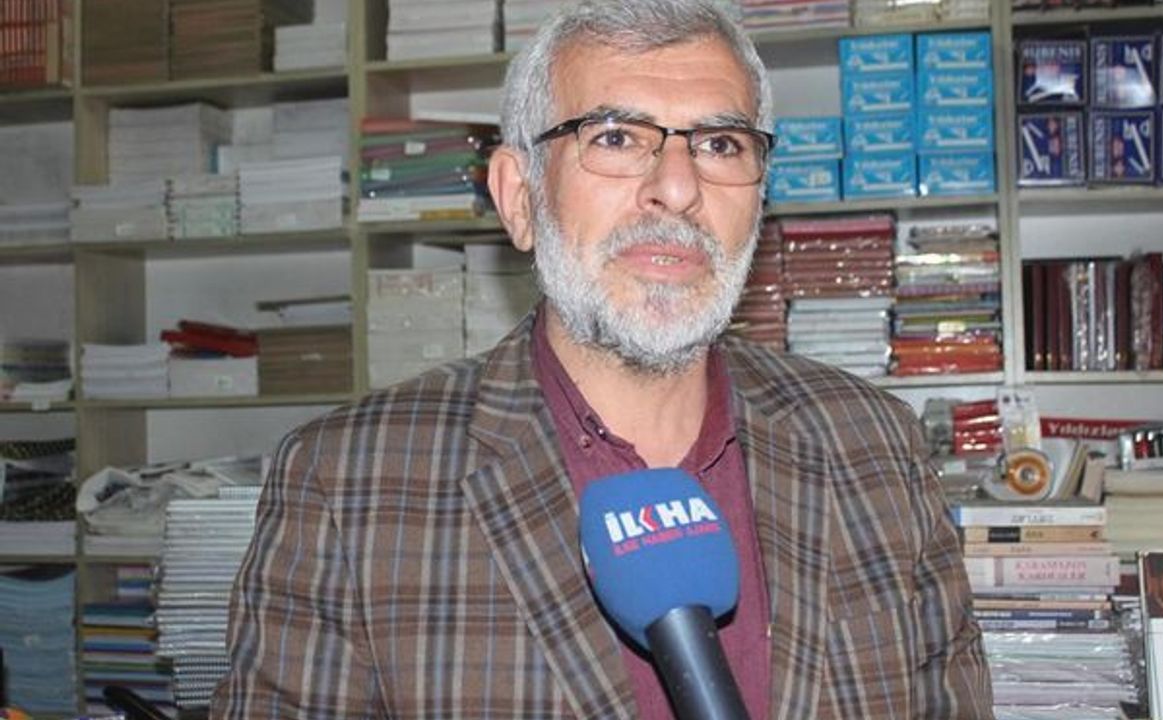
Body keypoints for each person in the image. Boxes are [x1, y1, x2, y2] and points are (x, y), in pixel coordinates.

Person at [211, 0, 994, 717]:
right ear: (519, 196)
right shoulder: (347, 484)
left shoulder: (876, 447)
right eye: (615, 137)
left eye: (720, 143)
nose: (678, 188)